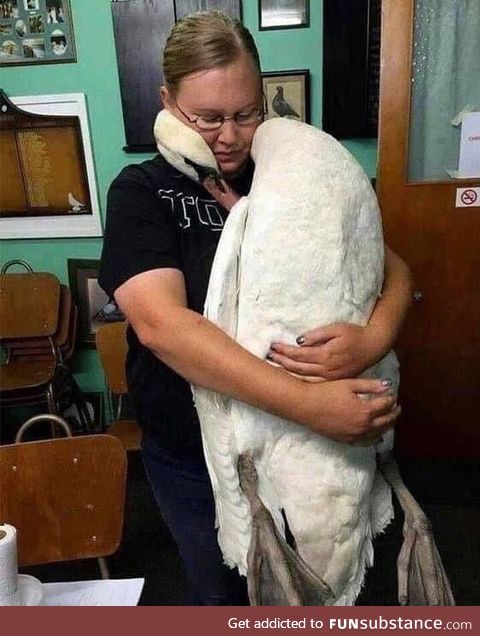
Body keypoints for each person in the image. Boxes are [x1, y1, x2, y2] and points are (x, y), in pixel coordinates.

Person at [99, 11, 412, 606]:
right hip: (197, 451)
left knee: (330, 587)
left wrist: (373, 340)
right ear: (167, 101)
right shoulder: (141, 192)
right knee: (224, 597)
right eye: (208, 117)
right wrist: (309, 403)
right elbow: (162, 326)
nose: (230, 135)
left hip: (312, 443)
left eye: (246, 113)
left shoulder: (290, 170)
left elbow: (390, 266)